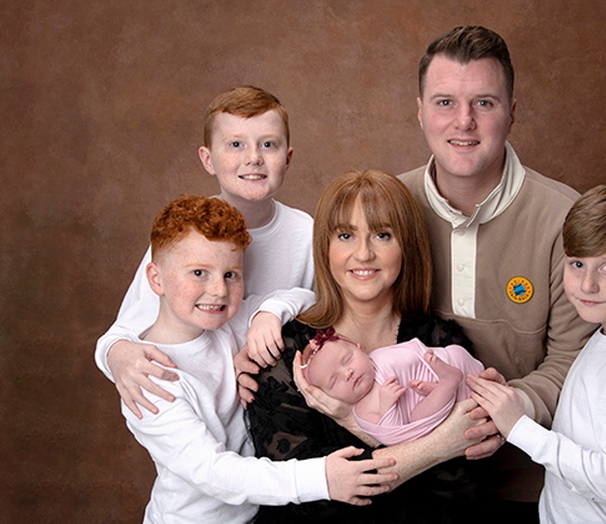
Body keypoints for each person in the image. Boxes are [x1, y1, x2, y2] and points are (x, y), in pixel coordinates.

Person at [396, 25, 598, 519]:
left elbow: (576, 362)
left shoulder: (564, 219)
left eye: (484, 103)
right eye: (444, 102)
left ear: (512, 113)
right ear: (420, 111)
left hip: (526, 487)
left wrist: (507, 410)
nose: (463, 122)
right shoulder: (387, 209)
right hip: (408, 483)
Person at [122, 195, 396, 523]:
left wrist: (267, 313)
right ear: (156, 279)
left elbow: (307, 297)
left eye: (230, 275)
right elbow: (213, 472)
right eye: (198, 273)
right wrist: (320, 478)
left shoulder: (230, 321)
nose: (219, 291)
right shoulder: (149, 378)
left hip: (257, 513)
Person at [246, 169, 485, 523]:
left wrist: (351, 423)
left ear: (407, 247)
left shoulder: (439, 343)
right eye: (345, 235)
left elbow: (458, 485)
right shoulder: (288, 354)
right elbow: (311, 497)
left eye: (382, 235)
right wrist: (436, 445)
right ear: (325, 248)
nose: (363, 254)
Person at [468, 184, 606, 522]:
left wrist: (520, 428)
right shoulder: (603, 339)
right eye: (576, 264)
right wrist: (510, 401)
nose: (587, 284)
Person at [95, 85, 314, 418]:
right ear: (208, 160)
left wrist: (274, 310)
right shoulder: (185, 233)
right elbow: (121, 332)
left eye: (268, 144)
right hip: (204, 415)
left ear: (288, 157)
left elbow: (327, 311)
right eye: (236, 145)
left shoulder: (307, 234)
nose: (253, 157)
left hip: (281, 413)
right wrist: (118, 355)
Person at [301, 329, 485, 446]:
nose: (347, 373)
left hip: (459, 368)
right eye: (334, 381)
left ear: (360, 349)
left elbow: (415, 354)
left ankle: (440, 384)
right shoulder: (363, 411)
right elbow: (394, 436)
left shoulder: (379, 357)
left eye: (348, 360)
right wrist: (387, 406)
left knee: (452, 352)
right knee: (417, 416)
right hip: (448, 411)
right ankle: (446, 384)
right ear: (327, 396)